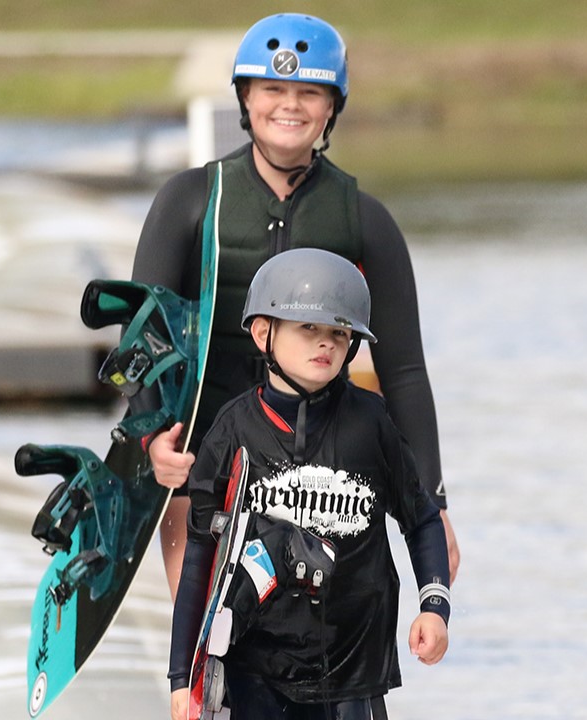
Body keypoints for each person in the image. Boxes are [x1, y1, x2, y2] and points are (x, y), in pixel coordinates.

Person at [130, 12, 459, 599]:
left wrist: (431, 507)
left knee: (312, 658)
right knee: (210, 651)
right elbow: (141, 343)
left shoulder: (365, 220)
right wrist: (151, 440)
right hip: (205, 466)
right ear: (246, 97)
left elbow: (404, 372)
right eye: (274, 89)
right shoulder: (187, 202)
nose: (291, 105)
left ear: (332, 107)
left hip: (325, 476)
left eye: (310, 92)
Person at [168, 249, 450, 720]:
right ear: (263, 333)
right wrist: (183, 676)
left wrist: (434, 605)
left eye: (339, 333)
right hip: (254, 671)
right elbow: (200, 556)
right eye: (309, 329)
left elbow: (421, 520)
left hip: (352, 674)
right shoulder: (233, 430)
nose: (326, 345)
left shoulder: (371, 424)